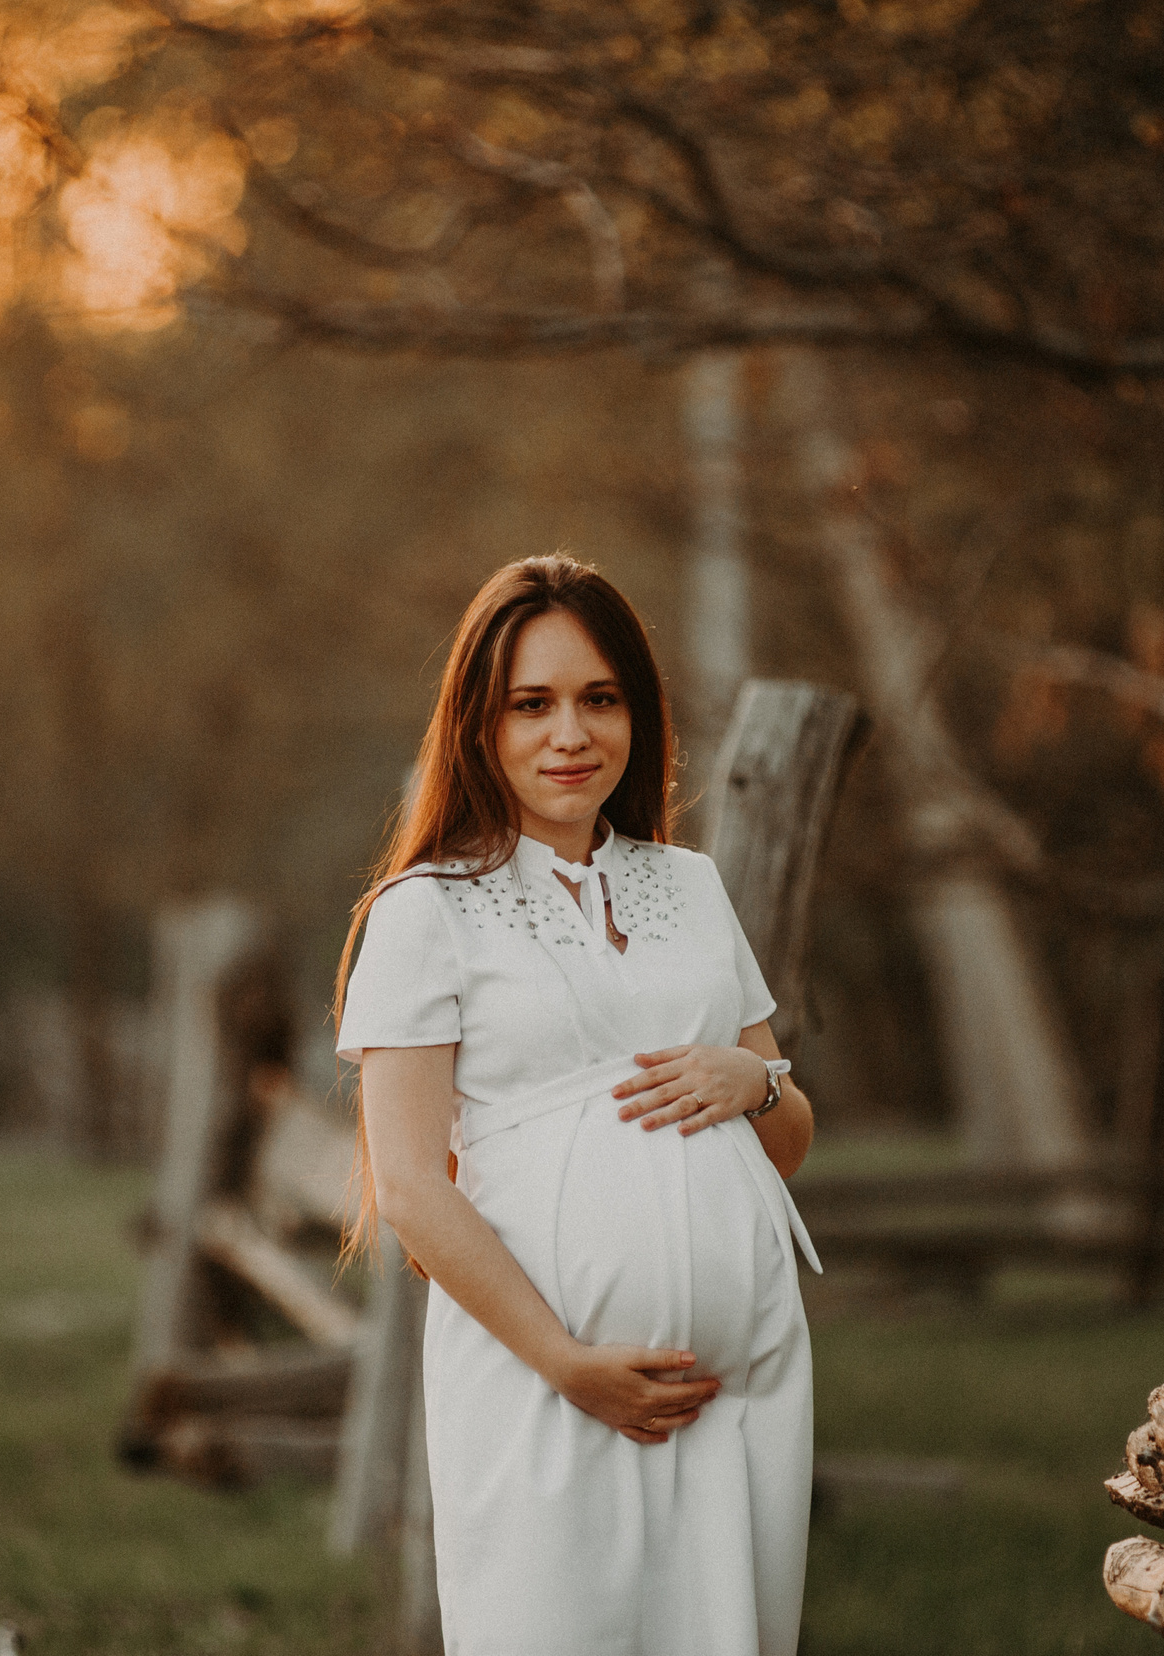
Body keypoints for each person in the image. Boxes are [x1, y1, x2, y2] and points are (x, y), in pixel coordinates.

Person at [335, 554, 821, 1656]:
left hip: (738, 1395)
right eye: (532, 704)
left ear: (637, 716)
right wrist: (565, 1361)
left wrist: (758, 1081)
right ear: (479, 725)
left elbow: (786, 1144)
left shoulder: (690, 886)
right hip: (541, 1383)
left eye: (599, 699)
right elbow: (409, 1184)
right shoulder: (424, 914)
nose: (571, 734)